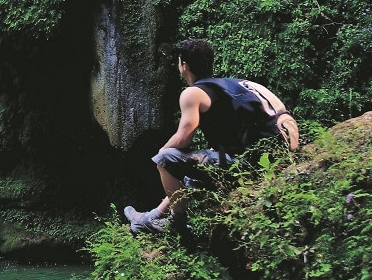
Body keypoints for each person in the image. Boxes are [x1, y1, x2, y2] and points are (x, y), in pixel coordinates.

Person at [123, 38, 300, 233]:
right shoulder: (240, 84)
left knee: (165, 159)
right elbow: (282, 114)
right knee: (195, 172)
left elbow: (183, 138)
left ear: (183, 65)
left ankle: (176, 223)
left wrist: (161, 152)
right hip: (279, 155)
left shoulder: (192, 93)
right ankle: (151, 218)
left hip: (250, 164)